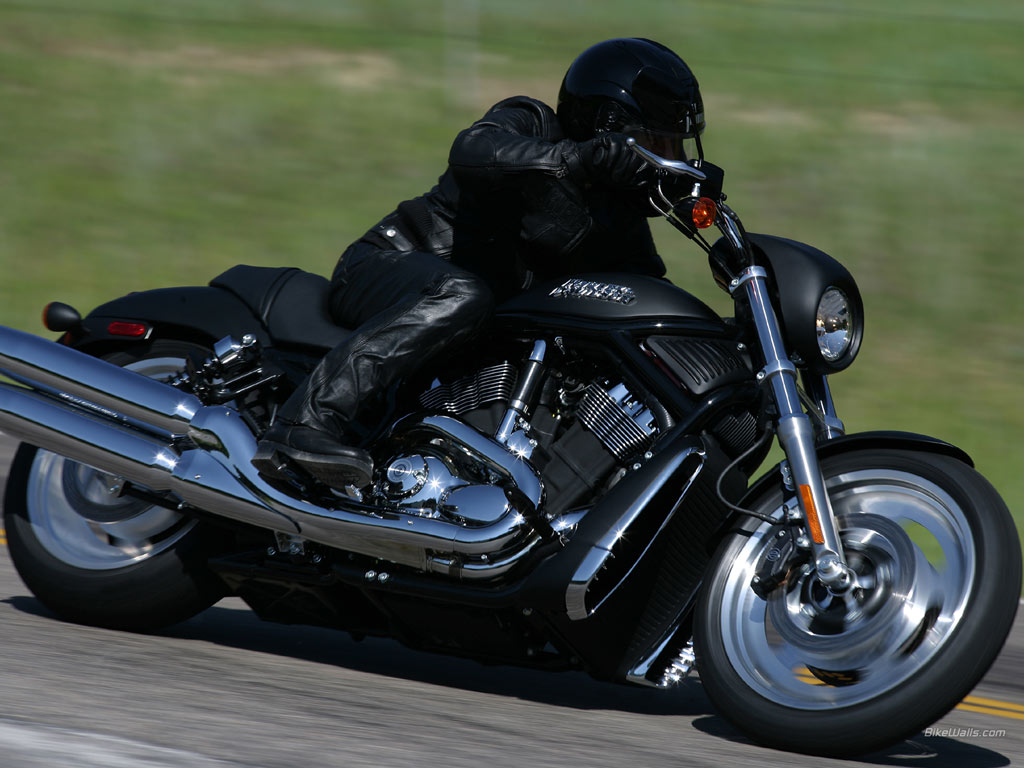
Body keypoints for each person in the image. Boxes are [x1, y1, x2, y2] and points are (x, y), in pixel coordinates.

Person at [252, 37, 707, 489]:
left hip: (473, 325)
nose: (673, 160)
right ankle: (303, 424)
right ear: (610, 126)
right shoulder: (532, 122)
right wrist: (574, 159)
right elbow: (473, 148)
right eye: (661, 144)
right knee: (463, 294)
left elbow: (646, 300)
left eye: (678, 148)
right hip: (388, 264)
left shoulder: (620, 221)